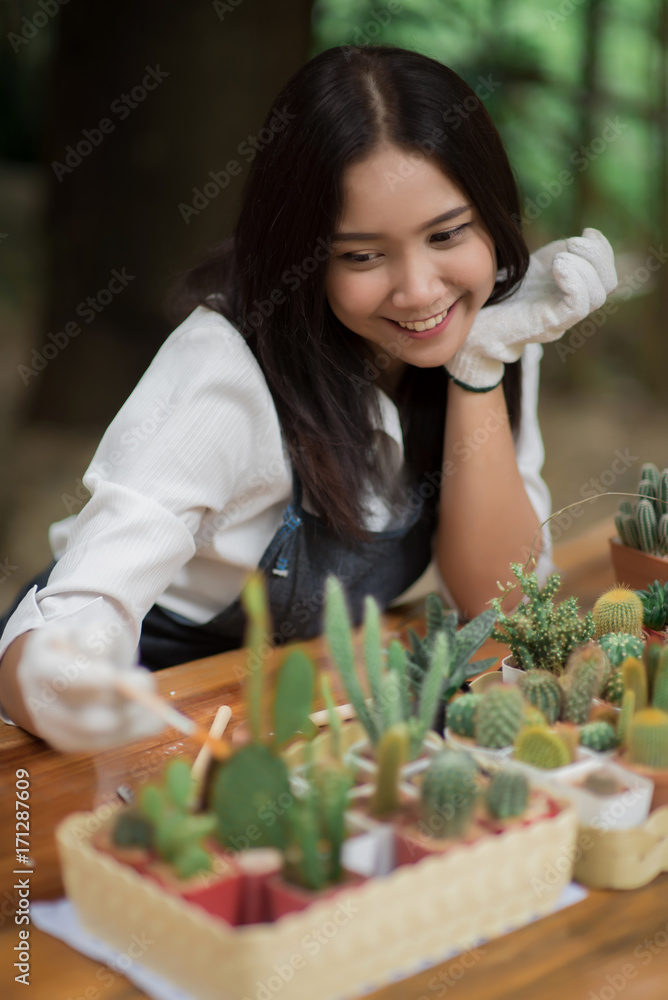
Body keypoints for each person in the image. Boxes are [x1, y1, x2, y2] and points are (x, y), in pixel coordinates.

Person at [0, 45, 617, 751]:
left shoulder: (492, 323)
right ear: (302, 251)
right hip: (155, 711)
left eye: (447, 234)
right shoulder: (226, 374)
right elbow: (73, 621)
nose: (420, 290)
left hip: (312, 707)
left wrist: (480, 366)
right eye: (361, 255)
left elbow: (498, 606)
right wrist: (68, 682)